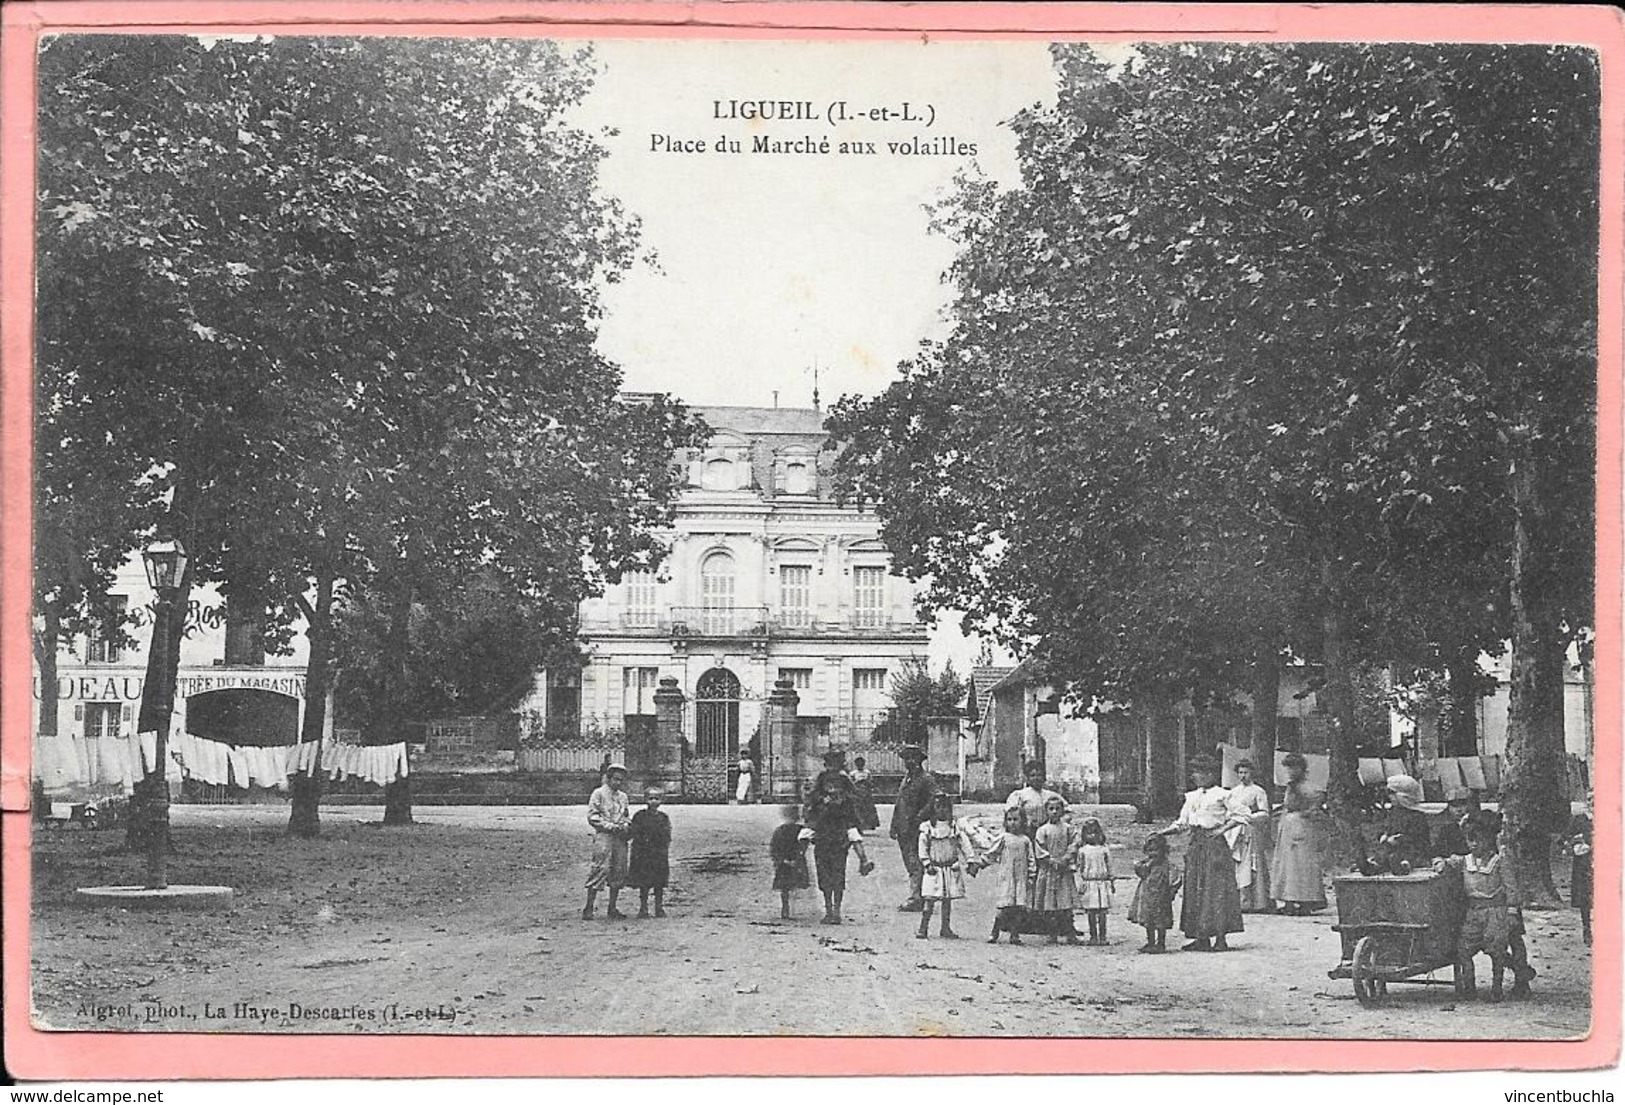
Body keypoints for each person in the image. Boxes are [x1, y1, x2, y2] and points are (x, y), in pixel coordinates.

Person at [1158, 754, 1244, 951]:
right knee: (1195, 888)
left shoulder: (1223, 794)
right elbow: (1182, 822)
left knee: (1216, 890)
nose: (1196, 776)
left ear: (1211, 774)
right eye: (1195, 772)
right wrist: (1163, 832)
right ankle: (1201, 937)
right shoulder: (1192, 796)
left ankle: (1220, 938)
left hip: (1214, 846)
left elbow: (1242, 814)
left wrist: (1222, 829)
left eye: (1200, 772)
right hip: (1196, 844)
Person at [1433, 816, 1519, 1002]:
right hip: (1473, 913)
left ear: (1489, 841)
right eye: (1469, 840)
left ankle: (1497, 987)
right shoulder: (1465, 861)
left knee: (1497, 951)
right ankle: (1469, 986)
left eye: (1478, 840)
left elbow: (1511, 888)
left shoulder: (1499, 862)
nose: (1473, 844)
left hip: (1495, 912)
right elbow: (1448, 861)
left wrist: (1511, 911)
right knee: (1463, 949)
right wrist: (1440, 862)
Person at [808, 772, 874, 924]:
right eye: (828, 785)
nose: (832, 789)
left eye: (836, 786)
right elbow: (812, 819)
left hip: (838, 843)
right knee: (825, 878)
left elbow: (852, 822)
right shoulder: (818, 802)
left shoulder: (846, 803)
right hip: (824, 841)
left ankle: (836, 911)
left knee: (838, 877)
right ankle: (829, 910)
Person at [1270, 752, 1327, 915]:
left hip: (1302, 827)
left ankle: (1306, 902)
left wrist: (1307, 811)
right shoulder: (1291, 786)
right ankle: (1288, 901)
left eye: (1293, 768)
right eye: (1288, 768)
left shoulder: (1308, 787)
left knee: (1302, 865)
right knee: (1286, 865)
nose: (1290, 772)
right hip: (1288, 827)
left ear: (1301, 769)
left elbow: (1318, 799)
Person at [972, 806, 1037, 944]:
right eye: (1009, 820)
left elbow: (1031, 859)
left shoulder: (1025, 840)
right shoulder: (1003, 838)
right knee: (1004, 907)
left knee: (1019, 907)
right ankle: (994, 932)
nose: (1013, 823)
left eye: (1016, 819)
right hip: (1007, 878)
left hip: (1021, 879)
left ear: (1023, 821)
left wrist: (1032, 876)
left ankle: (1014, 934)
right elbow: (992, 852)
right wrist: (980, 864)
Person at [916, 793, 976, 939]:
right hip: (934, 869)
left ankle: (945, 927)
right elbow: (922, 847)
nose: (941, 810)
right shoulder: (928, 828)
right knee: (929, 899)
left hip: (950, 868)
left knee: (947, 900)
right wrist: (926, 863)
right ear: (932, 809)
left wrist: (970, 860)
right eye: (938, 806)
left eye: (945, 807)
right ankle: (923, 927)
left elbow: (964, 844)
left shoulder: (953, 828)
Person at [889, 745, 938, 911]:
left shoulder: (926, 779)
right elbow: (899, 803)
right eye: (906, 758)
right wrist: (894, 824)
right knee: (909, 862)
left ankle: (917, 897)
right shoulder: (906, 779)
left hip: (917, 828)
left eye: (912, 758)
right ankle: (918, 895)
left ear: (919, 760)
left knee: (916, 861)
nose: (908, 762)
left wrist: (920, 817)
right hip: (904, 827)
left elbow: (933, 800)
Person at [583, 764, 632, 920]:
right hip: (604, 836)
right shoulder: (598, 794)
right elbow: (593, 816)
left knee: (618, 870)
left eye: (621, 780)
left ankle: (612, 907)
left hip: (619, 838)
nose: (618, 783)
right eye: (616, 779)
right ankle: (589, 907)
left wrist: (625, 825)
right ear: (609, 778)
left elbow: (626, 815)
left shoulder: (623, 797)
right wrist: (610, 826)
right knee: (600, 869)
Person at [1226, 759, 1273, 912]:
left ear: (1251, 773)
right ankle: (1238, 901)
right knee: (1237, 864)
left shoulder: (1258, 791)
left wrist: (1251, 817)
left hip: (1251, 830)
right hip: (1235, 831)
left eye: (1245, 772)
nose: (1242, 776)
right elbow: (1228, 810)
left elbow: (1265, 812)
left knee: (1252, 864)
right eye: (1240, 772)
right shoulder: (1233, 792)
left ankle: (1256, 902)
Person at [1034, 795, 1080, 945]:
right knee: (1050, 904)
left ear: (1062, 811)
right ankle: (1051, 933)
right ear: (1046, 811)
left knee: (1065, 903)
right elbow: (1039, 848)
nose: (1054, 812)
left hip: (1063, 870)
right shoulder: (1042, 830)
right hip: (1048, 870)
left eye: (1057, 809)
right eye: (1051, 809)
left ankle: (1069, 933)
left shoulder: (1068, 829)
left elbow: (1075, 842)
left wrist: (1066, 857)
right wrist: (1050, 860)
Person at [1370, 774, 1433, 873]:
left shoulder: (1416, 816)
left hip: (1411, 847)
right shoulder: (1392, 813)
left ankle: (1404, 865)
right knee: (1385, 854)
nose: (1389, 796)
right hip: (1393, 848)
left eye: (1392, 793)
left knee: (1411, 855)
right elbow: (1386, 827)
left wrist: (1399, 839)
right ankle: (1375, 865)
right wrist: (1383, 835)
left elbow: (1417, 837)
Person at [1129, 833, 1180, 953]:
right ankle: (1150, 942)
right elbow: (1141, 873)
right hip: (1148, 897)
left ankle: (1161, 943)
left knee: (1160, 920)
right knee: (1148, 920)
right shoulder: (1147, 863)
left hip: (1161, 897)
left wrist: (1171, 892)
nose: (1153, 854)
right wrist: (1139, 866)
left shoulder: (1167, 865)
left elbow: (1176, 879)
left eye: (1156, 850)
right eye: (1150, 850)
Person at [628, 786, 672, 918]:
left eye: (656, 799)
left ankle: (659, 907)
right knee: (644, 882)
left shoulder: (663, 818)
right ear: (645, 800)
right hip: (643, 854)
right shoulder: (640, 816)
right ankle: (643, 908)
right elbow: (634, 832)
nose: (653, 801)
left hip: (658, 854)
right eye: (650, 798)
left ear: (661, 801)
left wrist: (663, 847)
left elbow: (667, 835)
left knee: (659, 882)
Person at [1073, 816, 1115, 945]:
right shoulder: (1083, 851)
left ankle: (1103, 936)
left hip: (1102, 882)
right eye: (1089, 833)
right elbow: (1079, 868)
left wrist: (1112, 881)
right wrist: (1080, 883)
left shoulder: (1104, 849)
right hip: (1089, 883)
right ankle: (1093, 936)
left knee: (1102, 912)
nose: (1092, 836)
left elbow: (1110, 866)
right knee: (1091, 911)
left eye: (1095, 832)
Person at [769, 804, 812, 920]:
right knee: (795, 883)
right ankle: (791, 908)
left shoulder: (779, 830)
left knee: (785, 887)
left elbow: (774, 848)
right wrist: (797, 858)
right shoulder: (801, 830)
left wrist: (781, 860)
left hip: (783, 860)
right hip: (796, 859)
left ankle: (786, 907)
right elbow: (804, 845)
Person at [1563, 791, 1594, 946]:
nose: (1593, 802)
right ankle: (1587, 928)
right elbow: (1566, 840)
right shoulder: (1580, 819)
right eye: (1590, 799)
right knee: (1585, 899)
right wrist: (1576, 844)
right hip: (1583, 864)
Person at [1006, 760, 1063, 841]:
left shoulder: (1051, 795)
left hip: (1048, 833)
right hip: (1027, 832)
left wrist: (1055, 824)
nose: (1036, 778)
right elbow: (1011, 813)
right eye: (1033, 775)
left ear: (1043, 777)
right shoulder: (1019, 795)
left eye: (1039, 775)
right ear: (1027, 778)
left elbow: (1067, 812)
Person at [849, 755, 881, 832]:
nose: (860, 765)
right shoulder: (853, 773)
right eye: (858, 763)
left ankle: (866, 826)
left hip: (866, 794)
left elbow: (871, 783)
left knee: (866, 810)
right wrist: (857, 782)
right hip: (857, 794)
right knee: (857, 811)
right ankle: (858, 827)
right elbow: (850, 784)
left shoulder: (867, 773)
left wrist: (866, 782)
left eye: (861, 763)